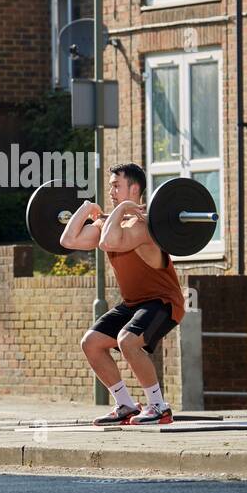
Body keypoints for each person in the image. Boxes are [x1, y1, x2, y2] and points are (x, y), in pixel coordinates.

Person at [58, 163, 184, 425]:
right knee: (91, 343)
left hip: (163, 302)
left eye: (117, 186)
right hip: (133, 303)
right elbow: (68, 241)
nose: (112, 191)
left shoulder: (144, 225)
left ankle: (159, 406)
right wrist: (85, 210)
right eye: (111, 186)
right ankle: (125, 405)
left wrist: (121, 211)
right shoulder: (110, 221)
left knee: (128, 340)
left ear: (134, 188)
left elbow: (108, 242)